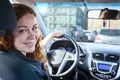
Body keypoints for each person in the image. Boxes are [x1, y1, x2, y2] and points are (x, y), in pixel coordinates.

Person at [0, 3, 64, 80]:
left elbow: (38, 46)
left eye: (34, 28)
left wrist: (52, 35)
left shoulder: (5, 56)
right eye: (22, 30)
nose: (32, 36)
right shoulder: (25, 70)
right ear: (8, 34)